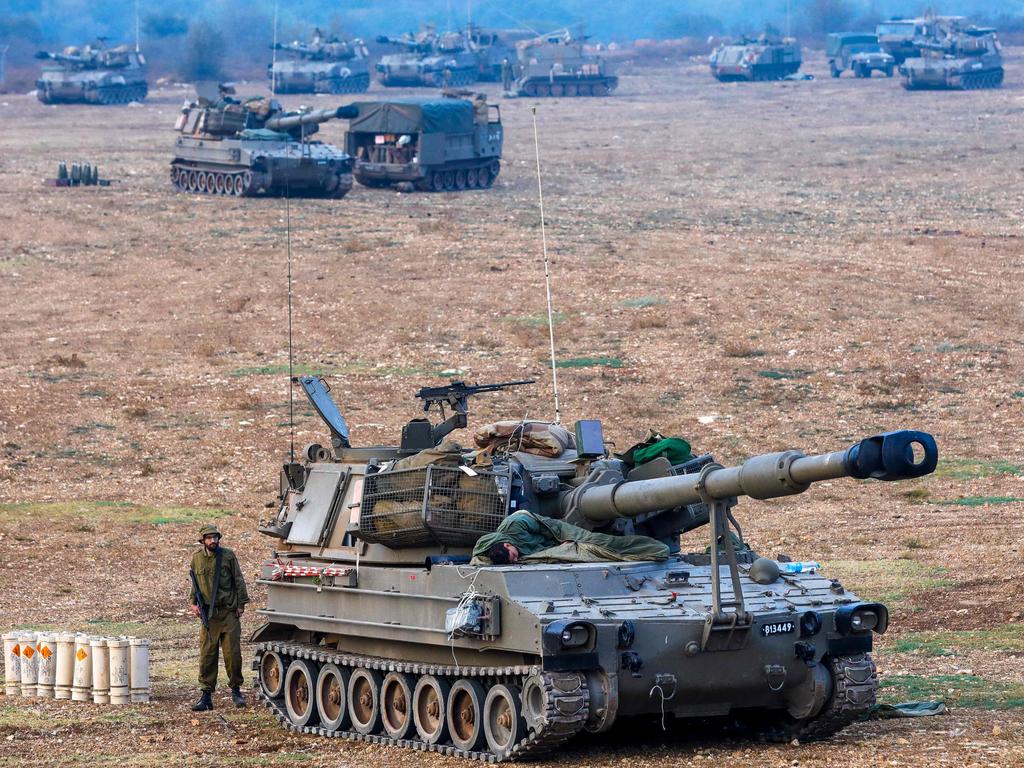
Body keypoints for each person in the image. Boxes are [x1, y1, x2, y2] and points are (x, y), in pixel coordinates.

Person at [189, 524, 249, 711]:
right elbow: (195, 583)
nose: (213, 541)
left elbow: (238, 579)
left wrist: (241, 604)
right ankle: (206, 696)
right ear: (202, 540)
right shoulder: (197, 559)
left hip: (228, 612)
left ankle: (236, 691)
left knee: (233, 655)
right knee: (207, 655)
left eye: (215, 537)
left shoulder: (228, 555)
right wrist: (193, 602)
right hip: (209, 615)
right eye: (209, 538)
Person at [472, 510, 670, 564]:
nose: (516, 559)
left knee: (600, 543)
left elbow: (544, 527)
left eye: (514, 556)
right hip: (553, 546)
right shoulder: (494, 550)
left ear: (507, 544)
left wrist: (560, 542)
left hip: (558, 533)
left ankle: (653, 549)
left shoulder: (516, 524)